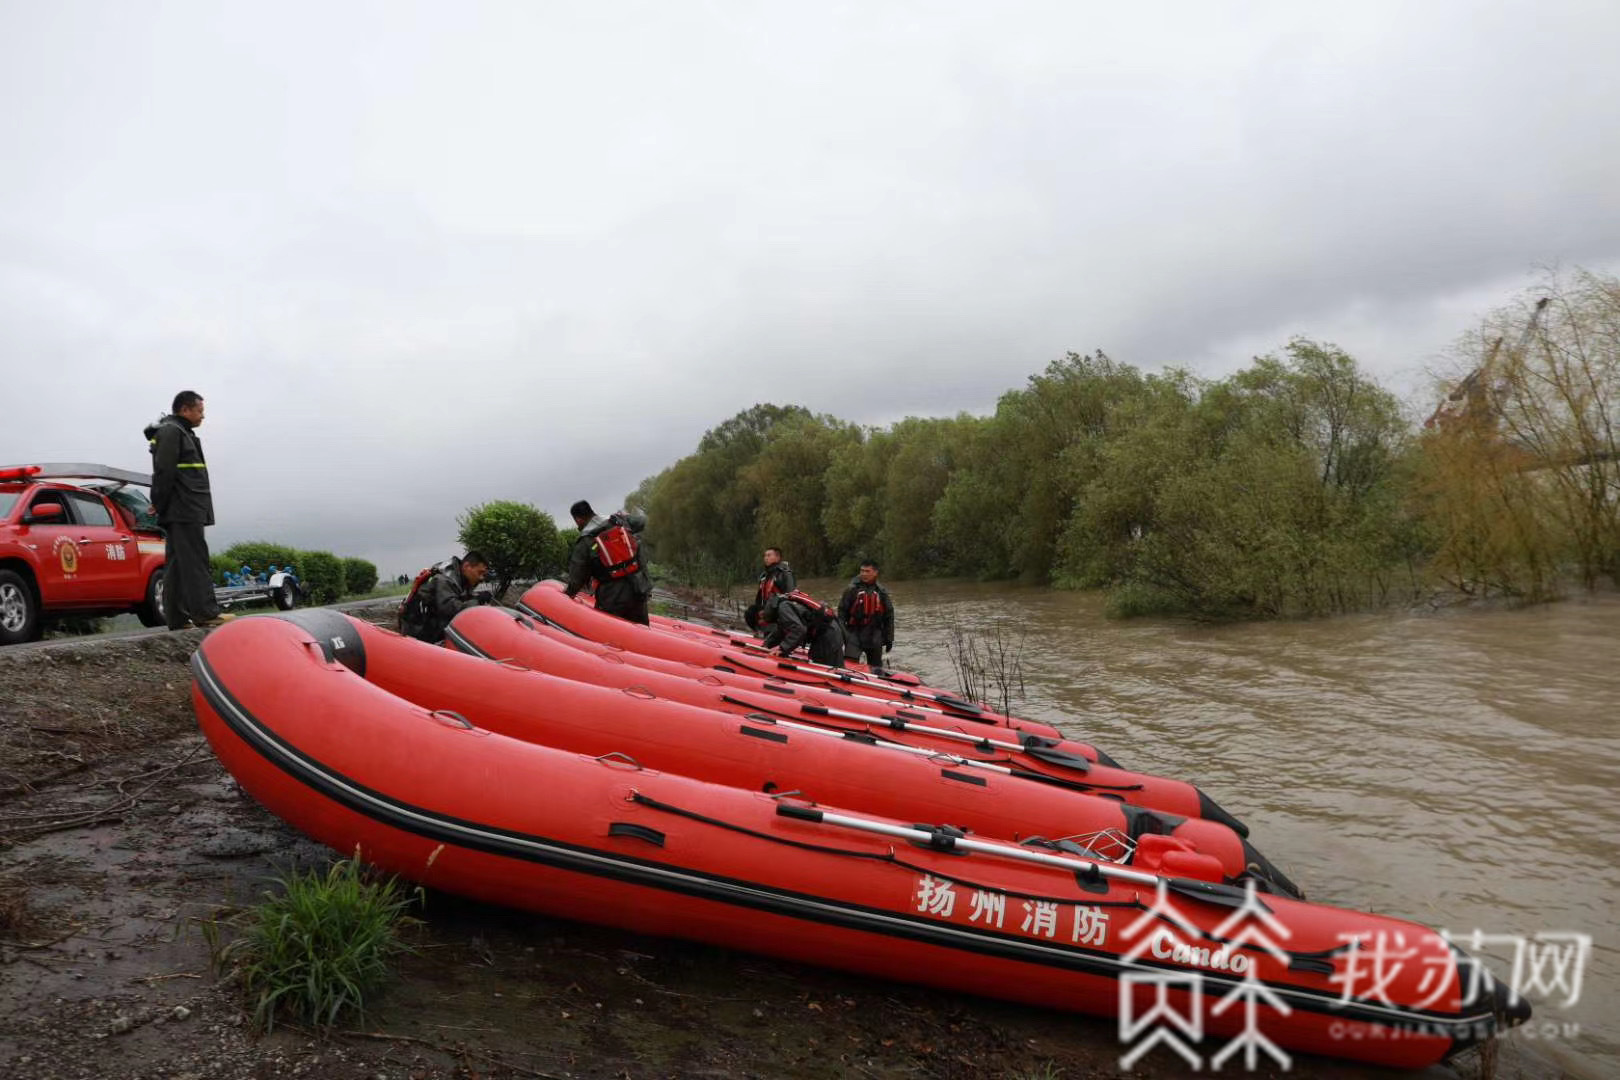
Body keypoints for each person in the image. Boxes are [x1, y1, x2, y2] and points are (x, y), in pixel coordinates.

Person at [145, 390, 234, 630]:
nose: (202, 416)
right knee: (195, 560)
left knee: (176, 565)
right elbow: (164, 472)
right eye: (199, 411)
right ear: (185, 409)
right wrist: (158, 501)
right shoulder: (172, 432)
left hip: (184, 507)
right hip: (184, 508)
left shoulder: (180, 432)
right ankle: (205, 613)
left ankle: (176, 617)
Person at [564, 500, 652, 625]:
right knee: (641, 633)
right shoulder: (619, 521)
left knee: (612, 637)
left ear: (578, 520)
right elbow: (642, 522)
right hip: (639, 588)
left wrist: (566, 595)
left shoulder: (586, 540)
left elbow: (577, 578)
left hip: (611, 597)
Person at [401, 550, 492, 644]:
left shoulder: (461, 578)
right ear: (467, 566)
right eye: (480, 573)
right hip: (420, 633)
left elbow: (462, 598)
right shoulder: (444, 580)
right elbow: (449, 608)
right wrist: (477, 601)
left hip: (433, 628)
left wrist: (478, 599)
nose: (481, 578)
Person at [759, 591, 845, 667]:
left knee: (827, 668)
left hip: (827, 634)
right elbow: (781, 630)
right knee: (820, 661)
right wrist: (767, 645)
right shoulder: (784, 603)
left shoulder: (783, 607)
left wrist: (782, 649)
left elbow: (799, 630)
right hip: (828, 630)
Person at [839, 559, 895, 669]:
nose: (863, 574)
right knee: (849, 665)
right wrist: (844, 634)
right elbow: (841, 613)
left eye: (867, 571)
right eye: (862, 571)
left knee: (876, 668)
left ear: (875, 572)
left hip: (874, 635)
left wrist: (889, 638)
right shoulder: (851, 590)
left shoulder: (881, 592)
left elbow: (889, 616)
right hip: (854, 633)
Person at [743, 547, 796, 632]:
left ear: (778, 557)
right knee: (750, 612)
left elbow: (792, 595)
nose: (766, 558)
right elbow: (760, 598)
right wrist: (760, 610)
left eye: (769, 555)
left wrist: (772, 606)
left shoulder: (786, 573)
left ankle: (776, 632)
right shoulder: (764, 575)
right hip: (767, 608)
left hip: (779, 608)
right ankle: (759, 633)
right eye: (765, 556)